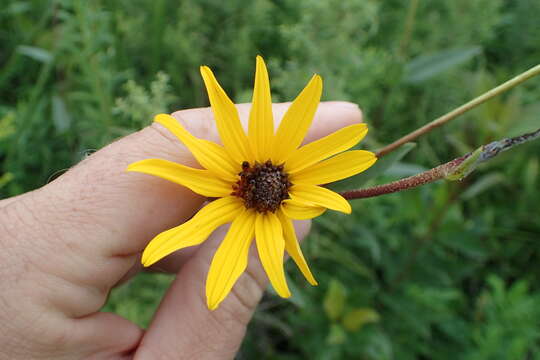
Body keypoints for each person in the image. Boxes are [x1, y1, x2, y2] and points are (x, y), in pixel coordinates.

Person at [0, 101, 362, 359]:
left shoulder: (281, 192)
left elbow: (341, 174)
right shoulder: (238, 189)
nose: (265, 187)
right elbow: (187, 159)